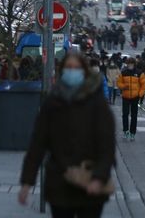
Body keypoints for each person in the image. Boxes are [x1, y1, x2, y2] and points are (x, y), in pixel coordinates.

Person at [19, 52, 116, 218]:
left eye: (77, 68)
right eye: (69, 68)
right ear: (62, 70)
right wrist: (27, 181)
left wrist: (99, 176)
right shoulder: (53, 101)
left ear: (84, 72)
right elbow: (38, 142)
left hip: (90, 180)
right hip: (60, 182)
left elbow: (107, 144)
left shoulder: (96, 102)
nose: (72, 71)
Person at [117, 57, 145, 141]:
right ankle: (126, 131)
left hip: (135, 97)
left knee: (134, 115)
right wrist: (123, 86)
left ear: (134, 64)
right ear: (127, 64)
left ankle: (132, 133)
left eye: (131, 64)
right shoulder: (123, 72)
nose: (130, 65)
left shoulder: (139, 73)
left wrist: (140, 94)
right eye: (128, 64)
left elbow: (144, 85)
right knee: (125, 114)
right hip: (125, 97)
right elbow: (118, 82)